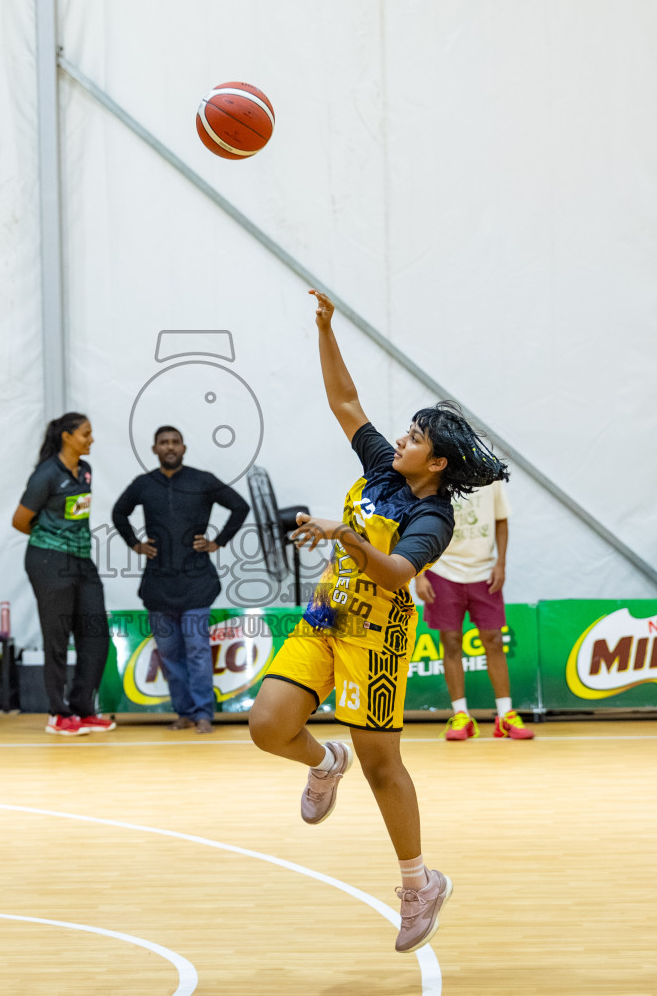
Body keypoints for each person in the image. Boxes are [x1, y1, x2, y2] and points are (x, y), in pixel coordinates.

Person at [248, 289, 507, 954]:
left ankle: (420, 884)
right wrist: (326, 328)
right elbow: (344, 402)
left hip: (379, 637)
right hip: (325, 614)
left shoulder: (435, 518)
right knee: (268, 725)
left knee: (383, 766)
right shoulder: (378, 466)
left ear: (438, 463)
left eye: (416, 438)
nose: (401, 438)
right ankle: (321, 758)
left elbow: (396, 572)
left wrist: (346, 538)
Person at [112, 425, 249, 734]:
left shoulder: (202, 480)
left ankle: (203, 714)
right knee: (171, 654)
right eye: (163, 442)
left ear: (184, 448)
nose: (170, 447)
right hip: (158, 585)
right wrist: (135, 544)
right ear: (154, 449)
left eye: (175, 442)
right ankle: (184, 713)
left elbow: (240, 506)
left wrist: (219, 541)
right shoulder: (144, 484)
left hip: (196, 582)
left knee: (198, 650)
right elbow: (119, 513)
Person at [13, 413, 114, 737]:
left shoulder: (85, 471)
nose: (91, 439)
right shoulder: (46, 475)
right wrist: (53, 540)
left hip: (82, 561)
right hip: (49, 560)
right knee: (56, 637)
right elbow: (20, 520)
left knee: (96, 635)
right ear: (67, 437)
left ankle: (83, 708)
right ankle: (59, 714)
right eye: (86, 434)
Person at [415, 478, 530, 739]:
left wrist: (501, 563)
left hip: (484, 570)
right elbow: (414, 524)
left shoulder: (491, 475)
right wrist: (419, 574)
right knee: (451, 641)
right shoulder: (435, 470)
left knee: (494, 639)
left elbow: (501, 519)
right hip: (441, 570)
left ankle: (505, 715)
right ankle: (461, 716)